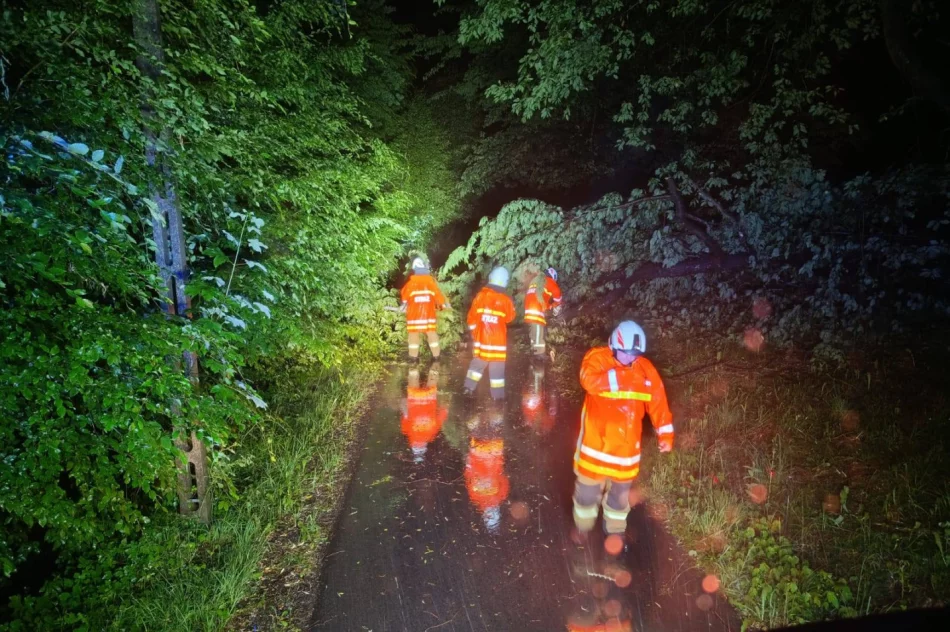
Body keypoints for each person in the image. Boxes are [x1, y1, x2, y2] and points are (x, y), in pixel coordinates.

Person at [572, 320, 674, 540]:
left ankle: (615, 533)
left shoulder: (646, 370)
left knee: (620, 496)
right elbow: (588, 381)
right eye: (626, 354)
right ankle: (582, 529)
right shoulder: (597, 359)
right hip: (595, 447)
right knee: (587, 495)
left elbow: (658, 402)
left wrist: (665, 434)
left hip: (626, 452)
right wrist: (622, 377)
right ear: (614, 346)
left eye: (634, 354)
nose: (631, 359)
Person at [463, 267, 516, 400]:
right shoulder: (505, 300)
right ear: (504, 282)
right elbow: (510, 317)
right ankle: (498, 397)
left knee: (477, 365)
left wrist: (474, 332)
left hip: (482, 340)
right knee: (497, 370)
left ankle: (468, 387)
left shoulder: (481, 296)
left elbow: (471, 317)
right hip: (498, 343)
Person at [464, 400, 509, 534]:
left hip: (490, 453)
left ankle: (487, 405)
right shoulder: (477, 497)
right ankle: (484, 406)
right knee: (482, 425)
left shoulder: (499, 496)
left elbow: (504, 477)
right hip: (484, 452)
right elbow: (469, 476)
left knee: (491, 425)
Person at [400, 257, 449, 362]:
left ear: (414, 270)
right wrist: (443, 306)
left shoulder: (410, 284)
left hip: (414, 316)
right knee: (431, 333)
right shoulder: (430, 283)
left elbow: (404, 298)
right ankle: (436, 356)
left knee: (413, 335)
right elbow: (438, 296)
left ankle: (413, 357)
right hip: (428, 315)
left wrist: (403, 304)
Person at [400, 364, 447, 464]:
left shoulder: (432, 434)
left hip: (429, 399)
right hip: (414, 399)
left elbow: (440, 417)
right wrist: (403, 401)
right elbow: (405, 414)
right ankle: (414, 366)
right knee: (413, 376)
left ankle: (435, 363)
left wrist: (445, 408)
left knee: (433, 378)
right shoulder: (407, 431)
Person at [523, 267, 562, 357]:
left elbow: (540, 298)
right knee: (538, 336)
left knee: (533, 334)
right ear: (553, 277)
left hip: (528, 309)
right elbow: (558, 297)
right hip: (536, 310)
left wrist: (549, 306)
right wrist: (556, 307)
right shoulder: (550, 281)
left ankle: (533, 353)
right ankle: (539, 358)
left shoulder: (536, 280)